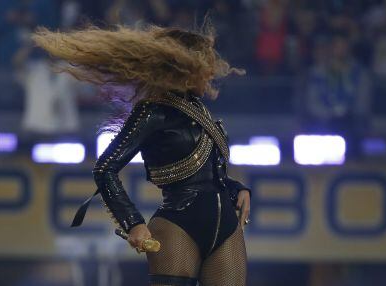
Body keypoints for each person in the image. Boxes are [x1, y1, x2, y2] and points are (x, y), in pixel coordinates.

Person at [32, 23, 251, 286]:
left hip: (227, 226)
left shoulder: (200, 111)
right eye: (206, 66)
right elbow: (105, 168)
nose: (211, 73)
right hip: (179, 225)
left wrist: (236, 188)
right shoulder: (152, 112)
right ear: (186, 67)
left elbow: (208, 172)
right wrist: (133, 223)